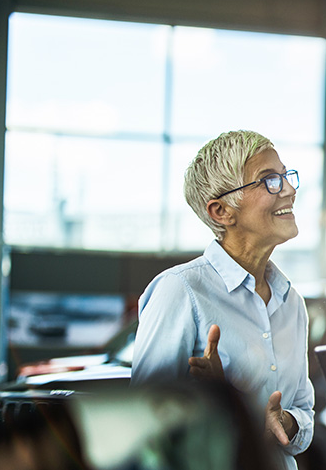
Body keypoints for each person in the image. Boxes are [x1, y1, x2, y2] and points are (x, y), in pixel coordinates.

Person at [131, 130, 314, 470]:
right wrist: (216, 402)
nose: (289, 189)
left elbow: (303, 414)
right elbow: (142, 426)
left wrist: (284, 423)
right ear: (221, 211)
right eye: (269, 180)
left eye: (286, 176)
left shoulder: (291, 303)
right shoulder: (181, 291)